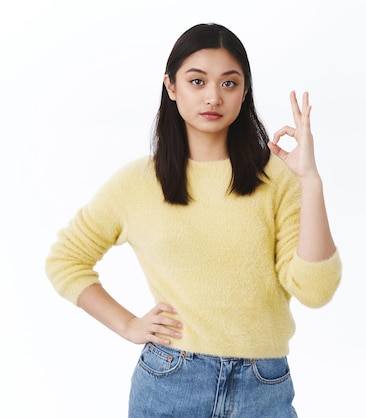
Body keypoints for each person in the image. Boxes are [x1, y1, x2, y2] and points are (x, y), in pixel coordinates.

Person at [45, 22, 341, 417]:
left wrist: (311, 182)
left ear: (245, 91)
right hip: (171, 383)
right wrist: (129, 325)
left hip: (262, 388)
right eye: (197, 81)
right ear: (171, 87)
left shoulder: (278, 179)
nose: (213, 97)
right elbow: (65, 260)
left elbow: (315, 291)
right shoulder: (137, 183)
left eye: (229, 83)